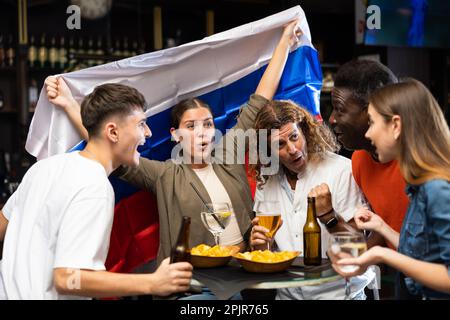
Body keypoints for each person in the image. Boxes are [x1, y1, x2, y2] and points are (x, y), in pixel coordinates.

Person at [45, 21, 301, 299]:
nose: (202, 133)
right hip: (194, 286)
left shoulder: (229, 154)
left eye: (207, 124)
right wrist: (71, 105)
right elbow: (108, 143)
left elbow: (259, 100)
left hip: (246, 277)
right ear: (175, 135)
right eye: (191, 127)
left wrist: (284, 42)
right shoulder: (165, 174)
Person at [0, 83, 192, 299]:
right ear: (112, 131)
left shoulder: (43, 167)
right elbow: (68, 279)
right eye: (142, 124)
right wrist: (152, 282)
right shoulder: (94, 187)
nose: (148, 133)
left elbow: (2, 224)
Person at [330, 78, 450, 299]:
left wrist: (382, 255)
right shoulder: (420, 186)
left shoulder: (438, 189)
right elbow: (420, 254)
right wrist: (382, 227)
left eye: (373, 123)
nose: (368, 134)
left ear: (395, 126)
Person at [249, 100, 375, 300]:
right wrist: (261, 248)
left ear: (305, 131)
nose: (292, 149)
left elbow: (358, 247)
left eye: (294, 137)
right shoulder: (265, 182)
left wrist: (328, 216)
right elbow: (270, 251)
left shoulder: (341, 170)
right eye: (280, 144)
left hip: (340, 296)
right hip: (287, 296)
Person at [329, 59, 409, 249]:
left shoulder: (422, 163)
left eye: (340, 110)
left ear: (374, 111)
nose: (331, 119)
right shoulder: (359, 160)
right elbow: (383, 229)